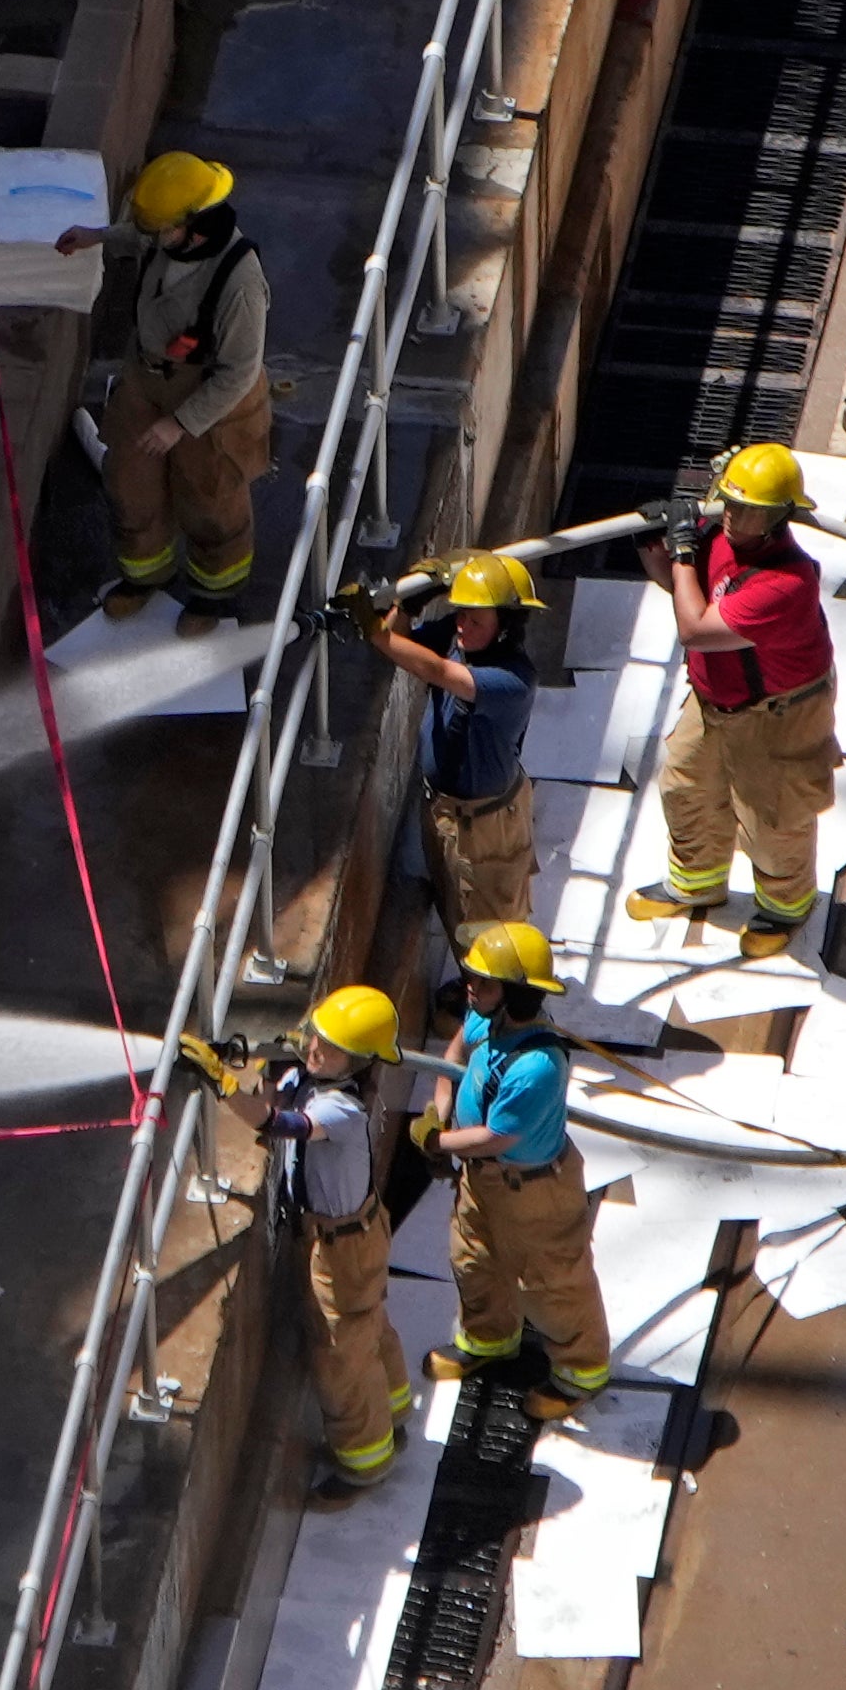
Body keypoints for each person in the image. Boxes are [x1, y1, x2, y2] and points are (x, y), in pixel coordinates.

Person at [193, 984, 415, 1502]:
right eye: (315, 1036)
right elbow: (277, 1087)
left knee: (341, 1355)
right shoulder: (312, 1076)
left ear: (358, 1061)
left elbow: (280, 1123)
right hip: (347, 1237)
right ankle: (394, 1413)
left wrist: (223, 1083)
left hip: (342, 1248)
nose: (314, 1048)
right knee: (366, 1329)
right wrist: (252, 1060)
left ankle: (365, 1463)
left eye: (330, 1048)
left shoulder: (342, 1109)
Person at [627, 444, 839, 959]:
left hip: (778, 713)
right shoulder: (721, 538)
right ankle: (696, 883)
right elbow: (686, 593)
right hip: (714, 699)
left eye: (750, 511)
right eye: (731, 503)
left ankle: (786, 907)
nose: (734, 517)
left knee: (772, 817)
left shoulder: (786, 584)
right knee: (686, 786)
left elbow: (695, 630)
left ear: (779, 518)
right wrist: (655, 547)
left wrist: (681, 554)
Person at [55, 151, 272, 635]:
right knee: (129, 485)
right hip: (147, 379)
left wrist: (179, 425)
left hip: (211, 401)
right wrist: (96, 237)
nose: (152, 239)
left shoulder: (240, 284)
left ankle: (213, 596)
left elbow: (238, 372)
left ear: (195, 227)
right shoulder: (168, 238)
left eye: (161, 231)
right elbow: (137, 235)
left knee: (211, 502)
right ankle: (145, 577)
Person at [416, 922, 611, 1424]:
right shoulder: (485, 1020)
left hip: (534, 1191)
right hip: (483, 1180)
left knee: (551, 1283)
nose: (470, 988)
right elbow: (454, 1054)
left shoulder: (537, 1066)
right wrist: (439, 1110)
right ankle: (489, 1338)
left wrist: (437, 1142)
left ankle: (581, 1371)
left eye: (483, 982)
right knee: (474, 1258)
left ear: (515, 994)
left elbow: (496, 1137)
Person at [367, 550, 542, 954]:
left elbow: (435, 670)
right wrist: (406, 606)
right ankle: (472, 983)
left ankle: (496, 992)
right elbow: (403, 645)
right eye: (460, 613)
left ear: (504, 628)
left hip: (484, 828)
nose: (462, 625)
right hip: (445, 811)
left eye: (476, 620)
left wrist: (372, 629)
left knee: (492, 936)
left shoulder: (513, 681)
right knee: (456, 910)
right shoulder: (456, 637)